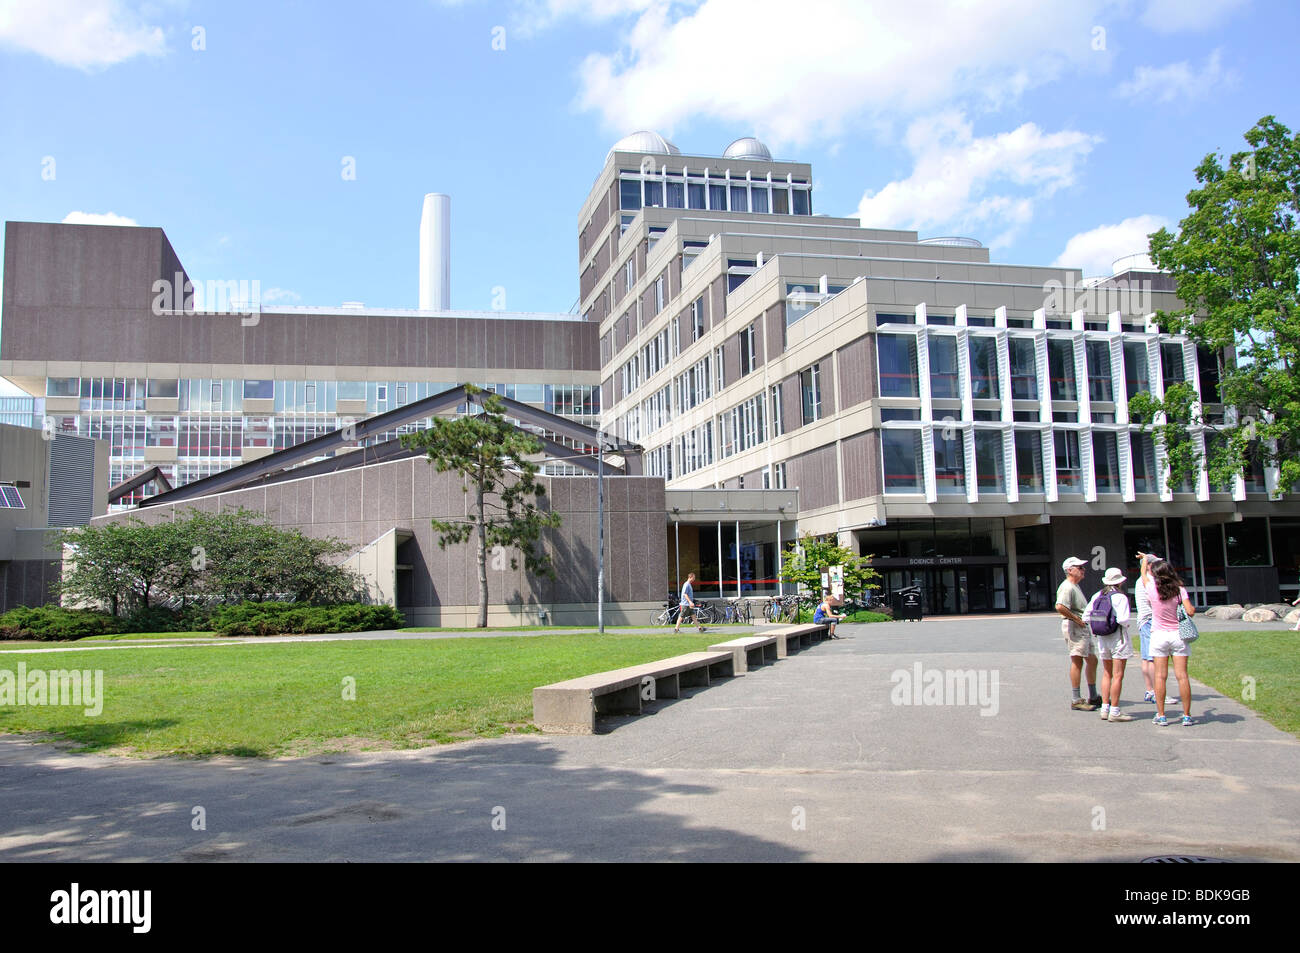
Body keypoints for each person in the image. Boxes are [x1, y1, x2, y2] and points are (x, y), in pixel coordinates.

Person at [1138, 552, 1197, 726]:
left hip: (1158, 635)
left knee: (1160, 676)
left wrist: (1144, 560)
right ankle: (1186, 715)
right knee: (1182, 676)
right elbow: (1191, 611)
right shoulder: (1179, 590)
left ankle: (1161, 715)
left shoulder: (1151, 588)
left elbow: (1143, 575)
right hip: (1178, 635)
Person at [1088, 568, 1135, 722]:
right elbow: (1123, 619)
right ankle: (1114, 711)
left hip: (1102, 638)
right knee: (1118, 675)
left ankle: (1105, 708)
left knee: (1107, 673)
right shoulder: (1120, 597)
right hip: (1118, 638)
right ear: (1120, 582)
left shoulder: (1098, 595)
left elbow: (1086, 615)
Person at [1057, 556, 1101, 711]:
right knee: (1077, 660)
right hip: (1075, 627)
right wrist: (1076, 619)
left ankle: (1093, 695)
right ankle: (1076, 698)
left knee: (1092, 659)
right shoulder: (1067, 587)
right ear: (1070, 570)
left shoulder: (1075, 586)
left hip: (1081, 626)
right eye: (1079, 567)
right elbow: (1060, 606)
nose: (1083, 570)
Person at [1134, 556, 1157, 702]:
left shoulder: (1139, 581)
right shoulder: (1148, 580)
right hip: (1150, 620)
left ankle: (1149, 689)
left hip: (1143, 621)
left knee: (1145, 657)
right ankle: (1157, 691)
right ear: (1148, 566)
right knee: (1153, 658)